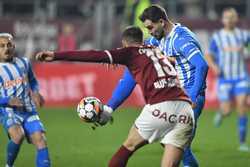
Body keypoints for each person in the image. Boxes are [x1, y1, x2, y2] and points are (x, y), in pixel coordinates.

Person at [36, 26, 195, 167]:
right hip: (186, 111)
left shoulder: (129, 53)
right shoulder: (157, 50)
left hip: (160, 107)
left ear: (124, 43)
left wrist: (55, 55)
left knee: (128, 147)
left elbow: (92, 55)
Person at [106, 4, 208, 167]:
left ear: (161, 21)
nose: (149, 32)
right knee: (177, 147)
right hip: (173, 99)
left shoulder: (180, 39)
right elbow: (137, 52)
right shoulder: (157, 40)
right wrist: (117, 57)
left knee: (179, 147)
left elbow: (202, 65)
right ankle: (109, 107)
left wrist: (193, 96)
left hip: (188, 97)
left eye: (151, 27)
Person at [0, 33, 51, 167]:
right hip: (8, 110)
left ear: (14, 46)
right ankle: (8, 165)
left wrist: (35, 93)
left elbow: (33, 81)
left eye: (9, 45)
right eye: (2, 46)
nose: (6, 48)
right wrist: (7, 101)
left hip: (28, 109)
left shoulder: (24, 63)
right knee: (18, 135)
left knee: (41, 139)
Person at [206, 7, 250, 151]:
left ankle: (242, 143)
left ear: (236, 19)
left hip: (241, 77)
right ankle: (221, 113)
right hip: (224, 79)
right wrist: (214, 67)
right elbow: (208, 55)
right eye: (227, 17)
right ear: (223, 20)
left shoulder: (244, 35)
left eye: (232, 17)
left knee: (242, 107)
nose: (230, 20)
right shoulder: (218, 37)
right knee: (227, 111)